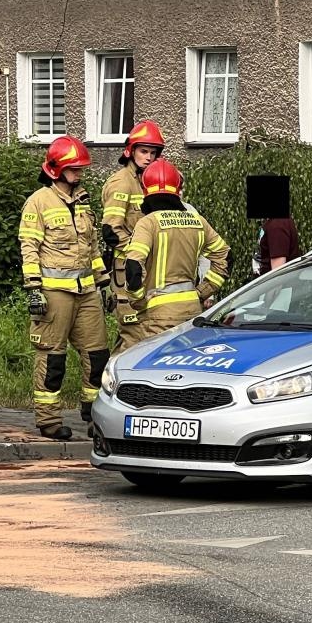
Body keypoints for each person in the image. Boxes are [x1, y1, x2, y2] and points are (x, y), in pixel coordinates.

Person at [17, 136, 112, 438]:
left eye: (81, 169)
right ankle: (49, 420)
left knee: (97, 355)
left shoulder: (82, 201)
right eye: (74, 169)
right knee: (52, 357)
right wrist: (33, 288)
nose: (80, 173)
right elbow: (29, 246)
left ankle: (93, 414)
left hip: (86, 292)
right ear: (57, 170)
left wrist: (104, 281)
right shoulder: (38, 202)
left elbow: (92, 247)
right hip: (54, 293)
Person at [124, 161, 230, 341]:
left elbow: (133, 267)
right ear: (177, 189)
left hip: (159, 315)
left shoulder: (148, 223)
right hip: (192, 310)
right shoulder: (197, 221)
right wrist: (203, 291)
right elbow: (226, 257)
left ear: (145, 190)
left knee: (156, 367)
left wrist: (138, 301)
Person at [100, 120, 164, 350]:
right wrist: (137, 254)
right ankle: (116, 382)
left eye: (153, 153)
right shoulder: (122, 183)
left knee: (147, 329)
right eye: (144, 151)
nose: (149, 157)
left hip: (144, 269)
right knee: (132, 333)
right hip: (126, 268)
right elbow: (111, 231)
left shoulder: (146, 182)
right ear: (131, 151)